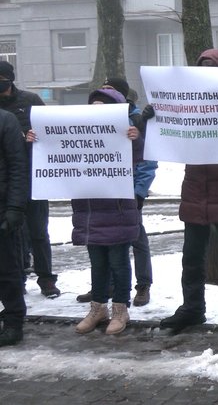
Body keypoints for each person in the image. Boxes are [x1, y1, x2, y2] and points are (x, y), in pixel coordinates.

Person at [155, 49, 218, 341]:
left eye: (212, 68)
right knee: (191, 258)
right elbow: (169, 134)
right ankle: (192, 308)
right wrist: (152, 119)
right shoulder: (186, 101)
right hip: (196, 190)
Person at [63, 88, 143, 335]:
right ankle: (98, 308)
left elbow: (141, 157)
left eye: (104, 106)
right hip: (89, 211)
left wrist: (135, 139)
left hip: (118, 210)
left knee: (119, 264)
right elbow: (56, 155)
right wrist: (37, 140)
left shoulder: (126, 134)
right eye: (93, 105)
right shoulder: (77, 133)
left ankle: (120, 309)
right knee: (97, 263)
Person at [74, 77, 158, 307]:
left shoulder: (135, 121)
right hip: (100, 194)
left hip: (127, 194)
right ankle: (103, 288)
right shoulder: (86, 121)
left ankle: (143, 285)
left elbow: (147, 160)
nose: (104, 93)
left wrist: (138, 192)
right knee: (103, 244)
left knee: (136, 240)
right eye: (102, 90)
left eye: (110, 90)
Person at [0, 61, 59, 299]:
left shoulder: (30, 100)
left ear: (10, 79)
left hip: (35, 177)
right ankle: (18, 277)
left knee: (38, 231)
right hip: (9, 181)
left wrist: (37, 136)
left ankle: (46, 278)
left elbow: (52, 131)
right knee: (13, 234)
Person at [0, 104, 28, 346]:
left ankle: (13, 322)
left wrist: (14, 208)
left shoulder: (5, 121)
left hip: (1, 210)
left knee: (7, 272)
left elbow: (18, 167)